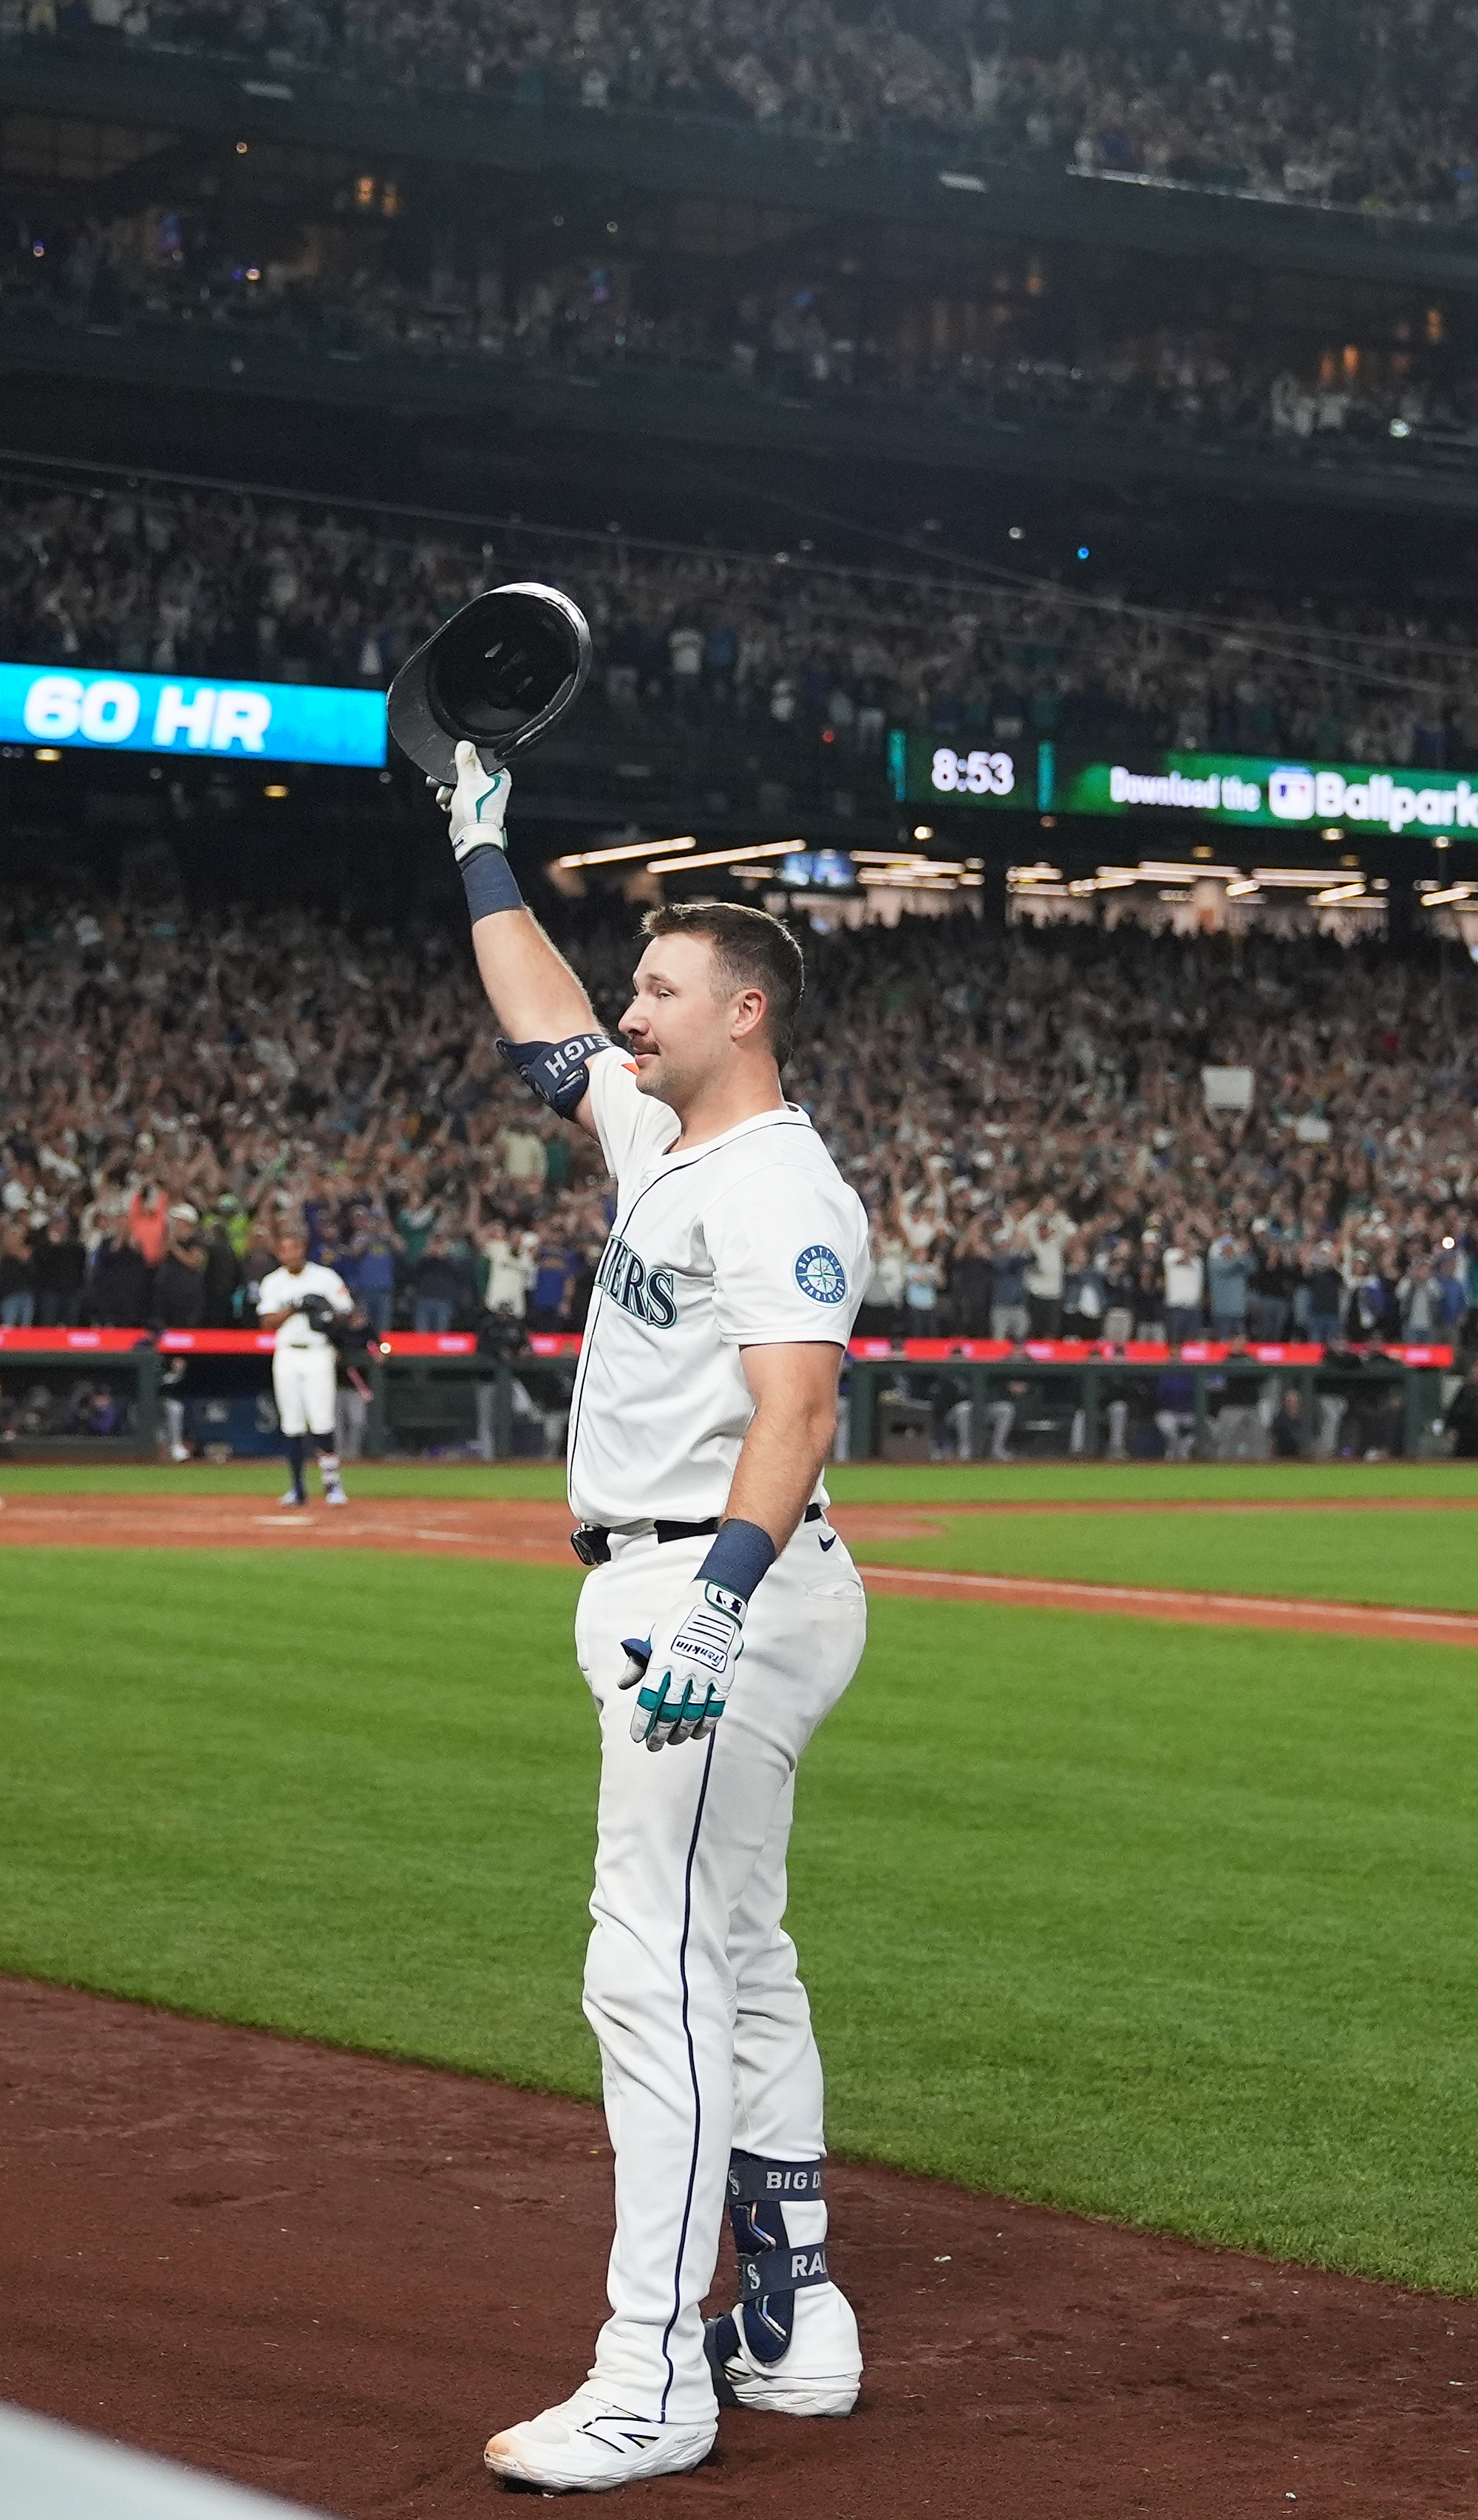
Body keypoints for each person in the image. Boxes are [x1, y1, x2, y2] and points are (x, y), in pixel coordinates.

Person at [440, 741, 872, 2493]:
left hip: (712, 1583)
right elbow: (539, 1019)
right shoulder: (663, 1135)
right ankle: (794, 2317)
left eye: (660, 988)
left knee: (647, 1967)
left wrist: (709, 1606)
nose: (628, 1011)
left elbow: (797, 1410)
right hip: (692, 1576)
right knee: (738, 1954)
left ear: (744, 1010)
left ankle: (652, 2371)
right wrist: (477, 848)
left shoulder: (774, 1176)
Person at [249, 1223, 355, 1509]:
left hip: (318, 1352)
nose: (290, 1253)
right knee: (292, 1424)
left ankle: (332, 1485)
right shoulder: (273, 1281)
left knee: (322, 1422)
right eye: (285, 1249)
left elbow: (348, 1313)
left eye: (295, 1247)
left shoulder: (324, 1277)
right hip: (287, 1354)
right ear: (279, 1253)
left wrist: (326, 1314)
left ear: (303, 1249)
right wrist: (295, 1307)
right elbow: (266, 1322)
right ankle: (297, 1489)